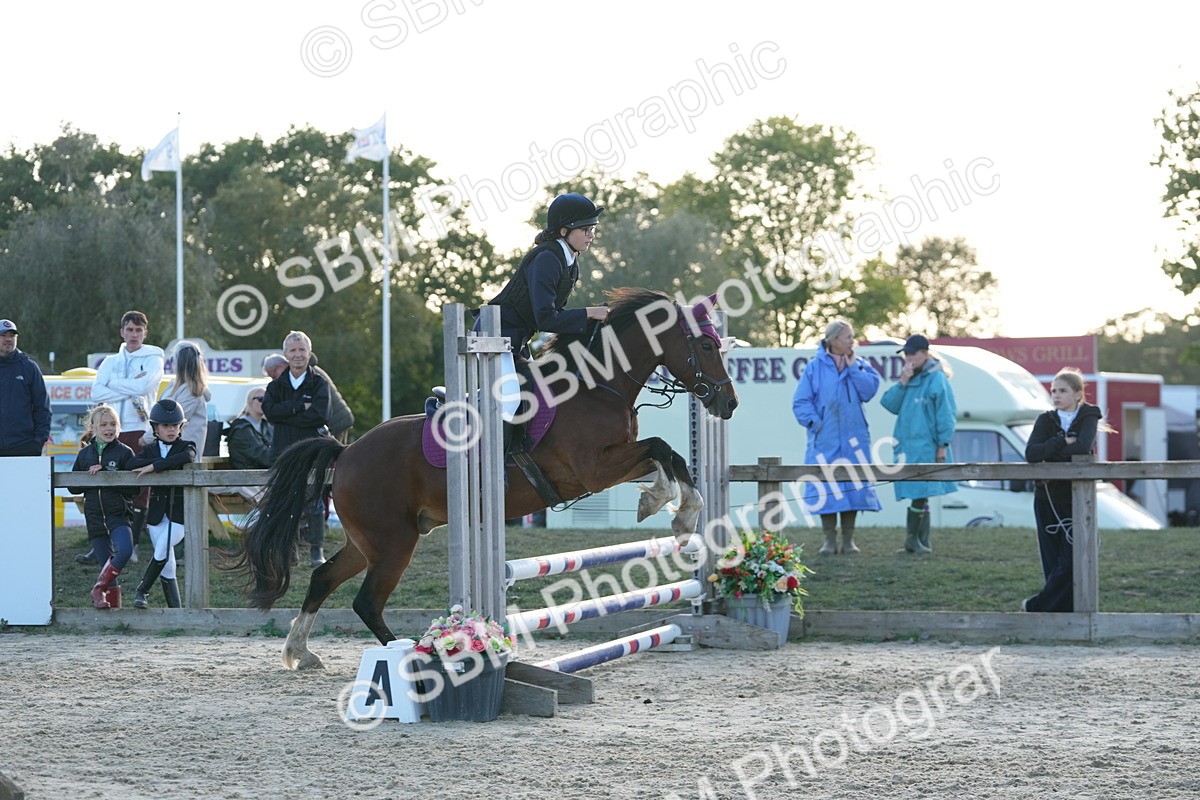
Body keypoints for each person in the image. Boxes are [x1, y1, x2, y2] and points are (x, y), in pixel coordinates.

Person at [481, 192, 610, 454]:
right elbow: (547, 318)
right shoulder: (548, 259)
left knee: (542, 390)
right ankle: (497, 464)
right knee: (510, 400)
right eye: (585, 229)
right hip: (494, 336)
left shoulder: (569, 261)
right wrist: (589, 313)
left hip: (515, 339)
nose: (591, 235)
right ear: (564, 231)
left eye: (593, 229)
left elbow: (555, 314)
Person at [1021, 367, 1110, 613]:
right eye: (1053, 391)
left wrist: (1049, 455)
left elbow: (1082, 447)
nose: (1056, 395)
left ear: (1078, 394)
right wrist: (1061, 441)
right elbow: (1031, 453)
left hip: (1076, 498)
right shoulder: (1045, 419)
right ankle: (1060, 614)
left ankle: (1036, 606)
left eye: (1062, 391)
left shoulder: (1089, 415)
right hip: (1046, 497)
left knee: (1072, 557)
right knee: (1051, 559)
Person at [791, 319, 882, 555]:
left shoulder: (859, 364)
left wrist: (853, 368)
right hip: (825, 440)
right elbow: (801, 401)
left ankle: (849, 541)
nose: (853, 341)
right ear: (833, 340)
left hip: (855, 440)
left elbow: (869, 391)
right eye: (848, 337)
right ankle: (829, 541)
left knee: (853, 486)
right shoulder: (814, 368)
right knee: (826, 488)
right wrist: (815, 423)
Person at [90, 310, 165, 563]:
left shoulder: (154, 358)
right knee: (106, 486)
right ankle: (103, 543)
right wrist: (128, 385)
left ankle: (131, 545)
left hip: (139, 429)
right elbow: (95, 392)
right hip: (110, 429)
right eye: (129, 329)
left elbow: (144, 387)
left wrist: (113, 385)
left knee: (138, 487)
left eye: (138, 330)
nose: (134, 334)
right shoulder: (110, 362)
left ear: (145, 333)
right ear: (122, 332)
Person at [880, 334, 958, 555]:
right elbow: (889, 404)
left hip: (926, 446)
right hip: (907, 446)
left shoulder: (937, 379)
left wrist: (943, 445)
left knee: (920, 492)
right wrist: (902, 382)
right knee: (920, 492)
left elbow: (946, 414)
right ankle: (921, 541)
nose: (908, 358)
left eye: (912, 354)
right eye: (906, 354)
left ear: (925, 353)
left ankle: (913, 541)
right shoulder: (910, 378)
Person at [262, 331, 332, 565]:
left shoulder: (319, 383)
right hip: (282, 453)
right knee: (285, 503)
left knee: (314, 502)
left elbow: (320, 415)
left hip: (312, 452)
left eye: (302, 349)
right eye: (293, 350)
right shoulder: (275, 386)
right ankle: (288, 550)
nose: (298, 354)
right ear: (285, 354)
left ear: (309, 353)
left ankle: (316, 551)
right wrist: (300, 406)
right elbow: (270, 413)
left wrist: (286, 416)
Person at [68, 404, 138, 609]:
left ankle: (98, 588)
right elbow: (73, 487)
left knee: (125, 551)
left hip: (118, 515)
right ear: (93, 427)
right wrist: (88, 476)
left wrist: (108, 473)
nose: (109, 429)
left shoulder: (125, 452)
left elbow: (135, 489)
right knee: (105, 563)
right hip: (95, 517)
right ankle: (115, 616)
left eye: (113, 424)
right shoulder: (84, 454)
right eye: (104, 424)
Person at [128, 398, 196, 609]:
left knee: (162, 549)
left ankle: (142, 591)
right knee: (168, 565)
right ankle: (176, 612)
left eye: (175, 425)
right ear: (155, 428)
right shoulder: (149, 449)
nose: (171, 430)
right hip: (156, 515)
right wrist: (156, 463)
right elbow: (132, 463)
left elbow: (187, 456)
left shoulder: (186, 446)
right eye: (165, 425)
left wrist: (155, 467)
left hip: (180, 514)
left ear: (181, 427)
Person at [262, 351, 354, 442]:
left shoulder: (304, 375)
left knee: (335, 451)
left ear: (279, 367)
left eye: (273, 376)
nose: (275, 379)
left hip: (333, 422)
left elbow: (305, 406)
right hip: (338, 418)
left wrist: (287, 418)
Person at [148, 340, 210, 463]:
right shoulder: (173, 386)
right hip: (169, 453)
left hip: (183, 457)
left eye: (173, 359)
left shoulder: (190, 392)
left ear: (180, 363)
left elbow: (171, 419)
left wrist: (146, 438)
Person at [0, 319, 51, 457]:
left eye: (12, 335)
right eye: (3, 335)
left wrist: (38, 442)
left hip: (23, 448)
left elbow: (43, 408)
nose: (8, 339)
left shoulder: (29, 367)